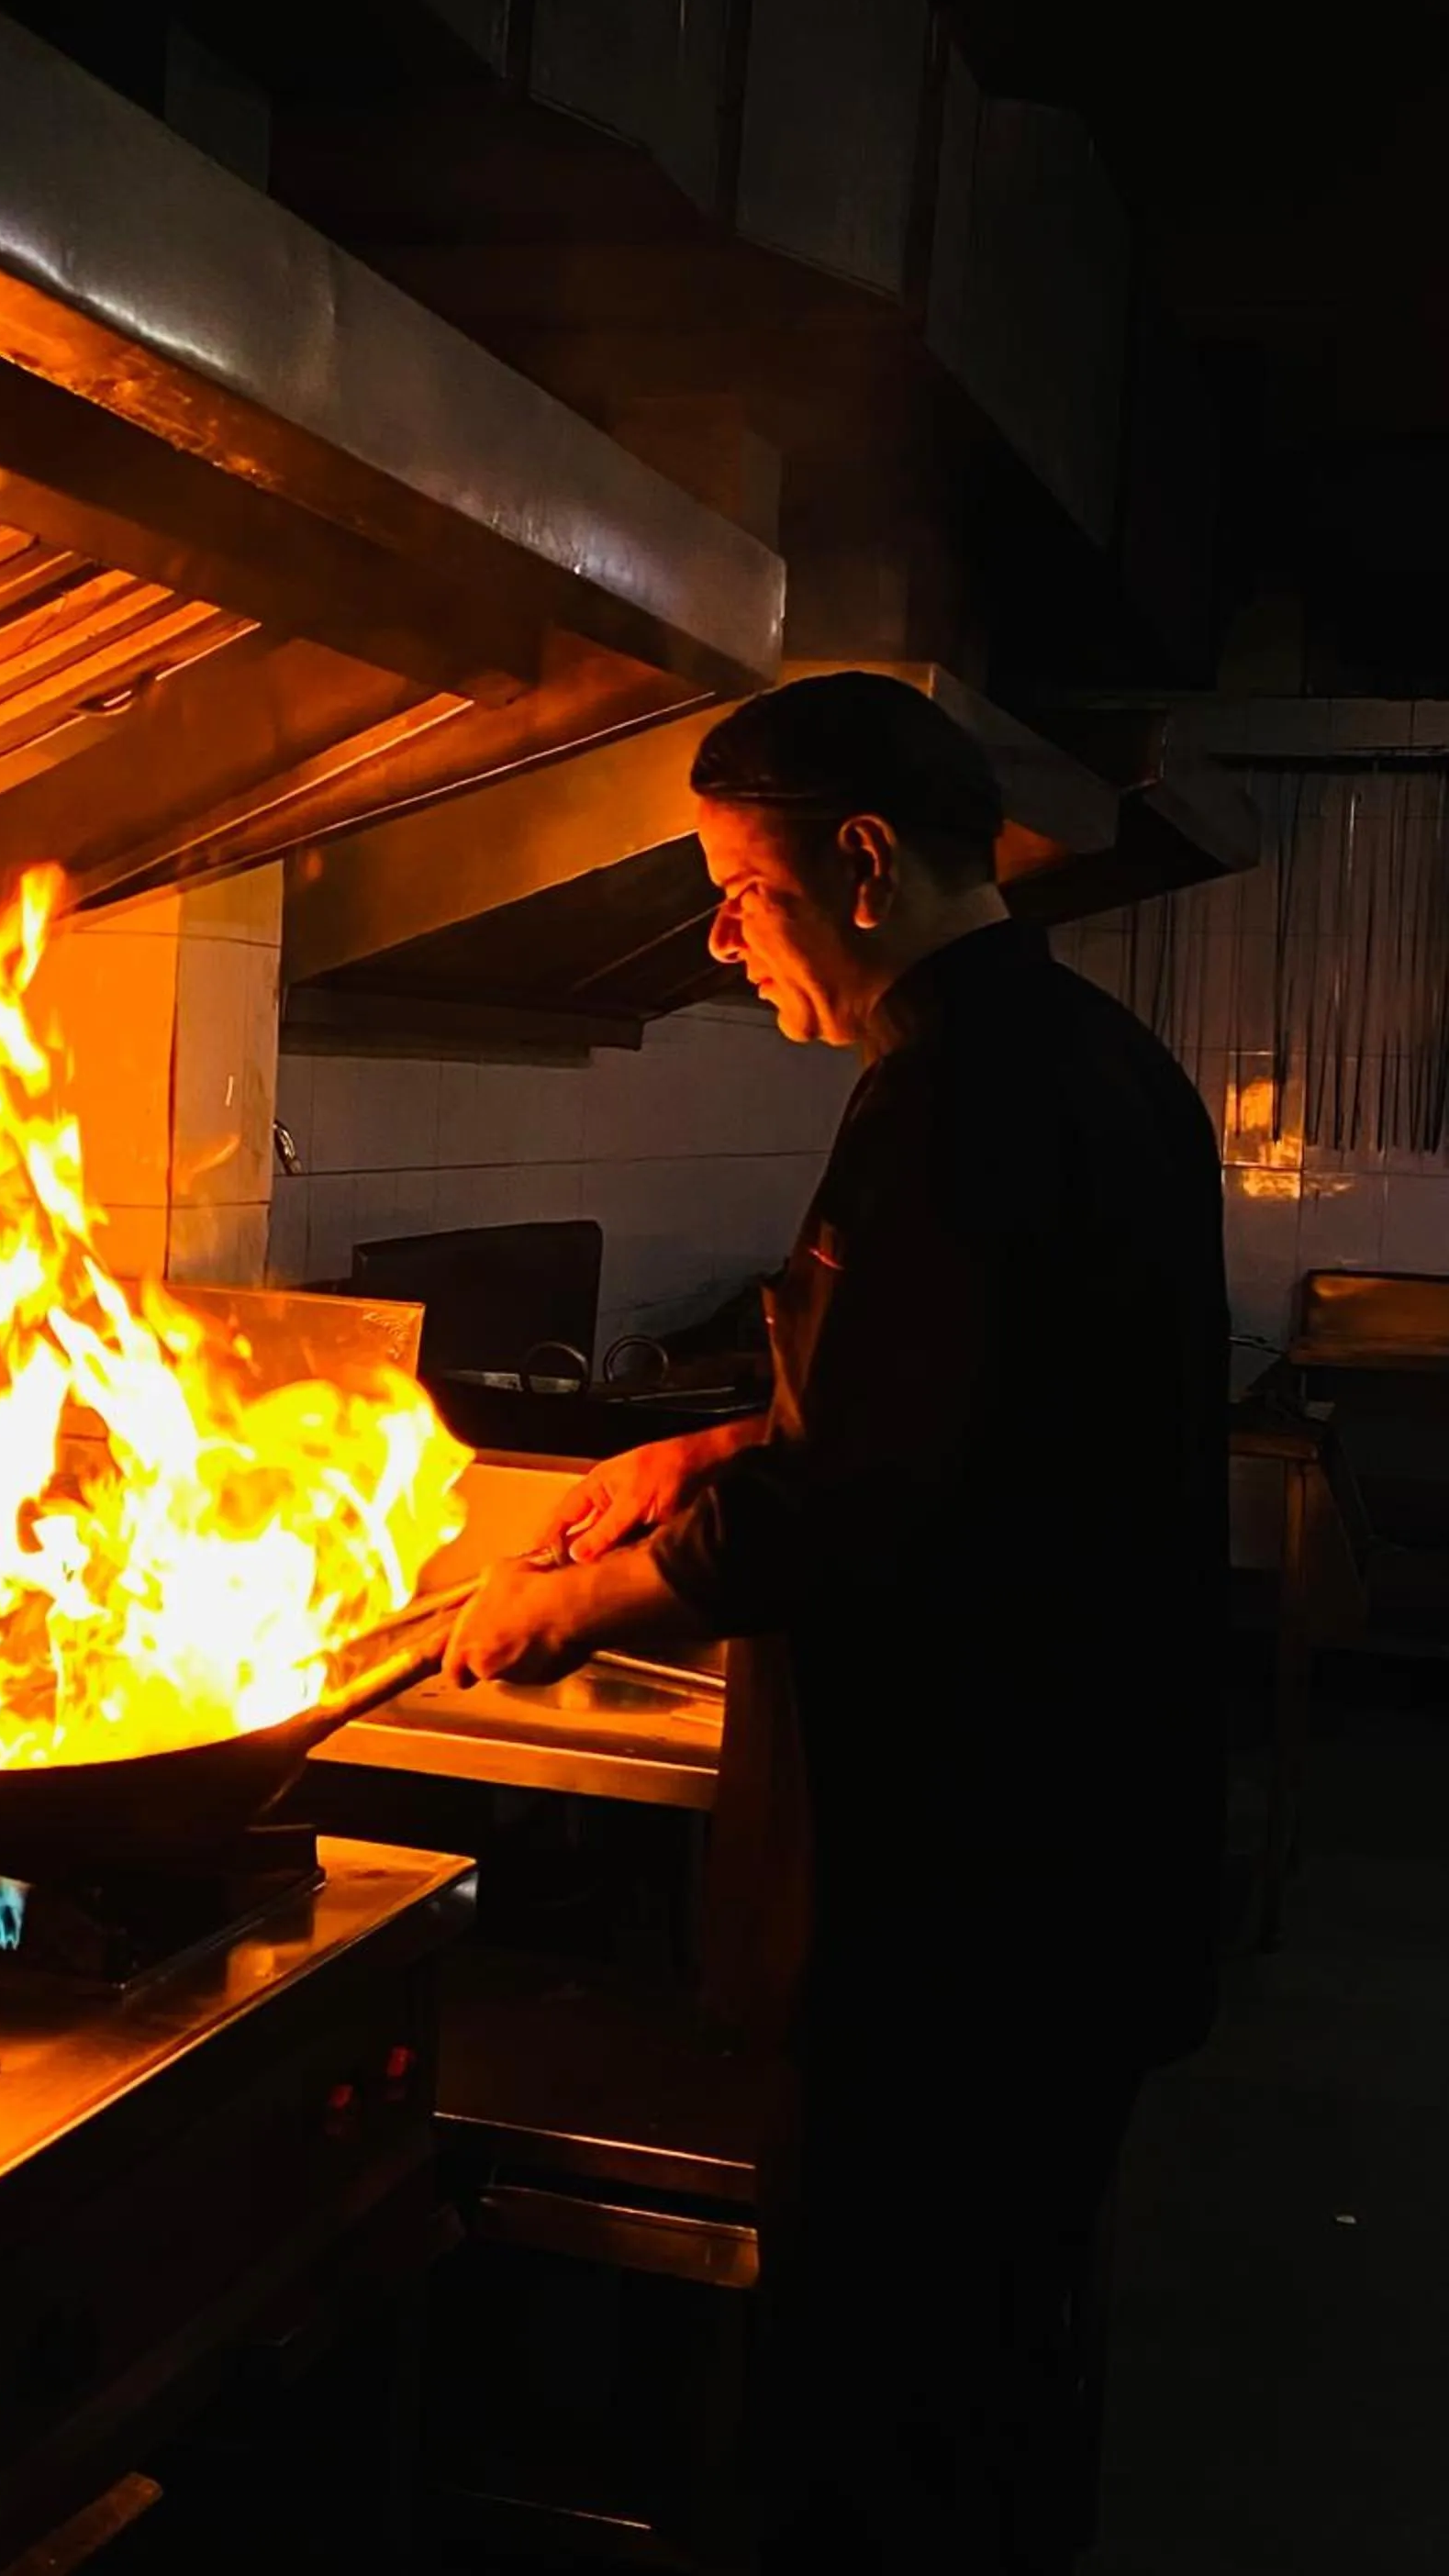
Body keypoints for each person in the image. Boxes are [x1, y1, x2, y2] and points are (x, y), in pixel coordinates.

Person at [441, 672, 1229, 2573]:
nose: (718, 941)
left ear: (860, 864)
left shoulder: (950, 1097)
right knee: (997, 2374)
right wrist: (704, 1448)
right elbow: (953, 1408)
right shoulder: (1081, 1058)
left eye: (737, 888)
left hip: (963, 1904)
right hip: (1070, 1873)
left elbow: (862, 1502)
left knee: (890, 2415)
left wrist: (568, 1609)